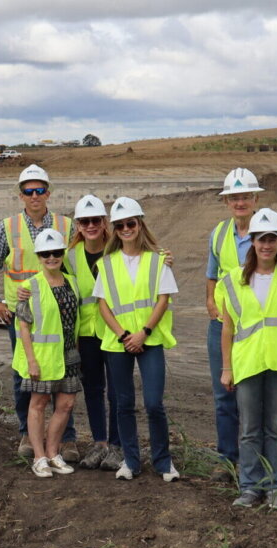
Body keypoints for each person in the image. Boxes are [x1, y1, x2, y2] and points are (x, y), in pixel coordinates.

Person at [205, 168, 277, 481]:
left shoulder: (274, 231)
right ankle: (227, 461)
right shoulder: (219, 233)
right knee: (224, 397)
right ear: (227, 201)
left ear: (255, 198)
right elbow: (212, 275)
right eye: (234, 197)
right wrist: (212, 304)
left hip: (268, 332)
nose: (240, 201)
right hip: (229, 322)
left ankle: (264, 472)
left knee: (263, 415)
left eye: (245, 196)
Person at [0, 164, 75, 460]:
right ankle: (27, 435)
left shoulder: (65, 225)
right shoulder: (7, 228)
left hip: (60, 315)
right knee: (25, 376)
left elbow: (85, 259)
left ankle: (66, 439)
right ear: (20, 195)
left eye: (40, 190)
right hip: (22, 318)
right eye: (29, 191)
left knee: (63, 374)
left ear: (49, 192)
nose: (35, 196)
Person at [93, 197, 180, 482]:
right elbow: (103, 305)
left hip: (148, 340)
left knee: (154, 403)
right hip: (119, 342)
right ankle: (130, 461)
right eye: (120, 225)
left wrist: (144, 332)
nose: (126, 229)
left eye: (131, 223)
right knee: (124, 404)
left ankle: (163, 462)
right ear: (115, 230)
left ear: (140, 224)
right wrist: (123, 334)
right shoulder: (106, 264)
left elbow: (163, 299)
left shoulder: (158, 260)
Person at [219, 208, 277, 510]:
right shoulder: (233, 280)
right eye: (261, 239)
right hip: (248, 363)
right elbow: (227, 328)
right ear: (251, 241)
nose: (266, 245)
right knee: (250, 428)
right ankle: (251, 487)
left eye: (272, 239)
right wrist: (227, 368)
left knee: (274, 428)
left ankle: (275, 487)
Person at [13, 229, 79, 479]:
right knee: (38, 404)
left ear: (62, 254)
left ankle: (53, 453)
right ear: (39, 257)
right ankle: (39, 457)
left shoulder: (72, 282)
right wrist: (31, 359)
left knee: (66, 404)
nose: (51, 257)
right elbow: (23, 325)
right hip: (41, 356)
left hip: (69, 355)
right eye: (45, 254)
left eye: (56, 252)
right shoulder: (29, 287)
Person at [65, 195, 124, 473]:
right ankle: (100, 443)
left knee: (116, 391)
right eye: (84, 221)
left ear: (104, 223)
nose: (90, 225)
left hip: (113, 333)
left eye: (95, 221)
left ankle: (116, 444)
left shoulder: (119, 252)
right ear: (77, 225)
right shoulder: (70, 257)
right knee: (93, 390)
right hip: (86, 335)